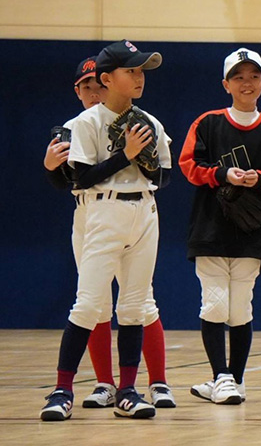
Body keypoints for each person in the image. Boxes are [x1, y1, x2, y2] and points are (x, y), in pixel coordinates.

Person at [40, 39, 172, 421]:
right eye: (130, 70)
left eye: (141, 70)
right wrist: (126, 155)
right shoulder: (84, 123)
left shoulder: (150, 122)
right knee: (88, 304)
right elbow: (81, 179)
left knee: (133, 306)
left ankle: (128, 390)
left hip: (145, 212)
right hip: (102, 211)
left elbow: (163, 177)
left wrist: (144, 163)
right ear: (106, 78)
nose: (138, 77)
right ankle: (62, 389)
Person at [180, 48, 261, 405]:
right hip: (210, 230)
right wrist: (221, 174)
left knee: (240, 307)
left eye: (253, 76)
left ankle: (235, 380)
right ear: (226, 83)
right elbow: (188, 165)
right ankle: (221, 377)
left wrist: (257, 179)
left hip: (252, 232)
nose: (247, 83)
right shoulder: (208, 123)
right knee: (214, 304)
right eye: (239, 77)